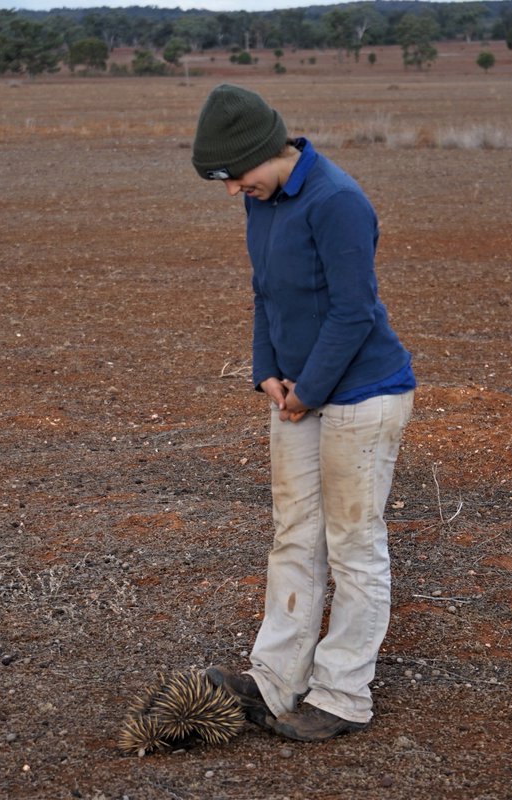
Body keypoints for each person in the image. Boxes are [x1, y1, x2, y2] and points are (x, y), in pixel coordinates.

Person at [191, 84, 416, 743]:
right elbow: (266, 289)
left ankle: (344, 696)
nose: (234, 191)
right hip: (297, 394)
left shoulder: (337, 201)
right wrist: (265, 370)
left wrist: (307, 390)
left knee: (352, 544)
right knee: (294, 534)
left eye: (237, 176)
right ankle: (275, 680)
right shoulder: (265, 202)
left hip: (363, 396)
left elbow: (355, 313)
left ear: (266, 151)